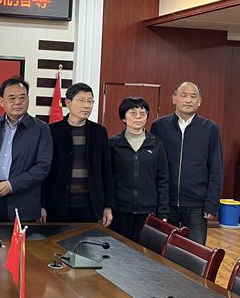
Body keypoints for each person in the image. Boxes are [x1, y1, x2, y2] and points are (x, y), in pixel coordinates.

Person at [150, 81, 223, 245]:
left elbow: (216, 168)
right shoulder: (159, 126)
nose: (188, 100)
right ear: (174, 98)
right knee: (162, 249)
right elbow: (153, 166)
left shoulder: (210, 128)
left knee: (195, 252)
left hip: (197, 205)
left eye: (193, 96)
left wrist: (212, 203)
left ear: (199, 101)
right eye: (183, 95)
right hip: (165, 202)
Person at [0, 76, 52, 223]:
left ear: (28, 100)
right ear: (1, 101)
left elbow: (42, 167)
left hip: (22, 200)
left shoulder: (41, 129)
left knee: (20, 238)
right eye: (12, 98)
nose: (17, 102)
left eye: (22, 97)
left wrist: (12, 185)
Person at [41, 83, 114, 224]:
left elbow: (106, 170)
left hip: (90, 205)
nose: (86, 106)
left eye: (90, 101)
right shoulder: (52, 131)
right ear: (68, 103)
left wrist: (108, 206)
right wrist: (42, 204)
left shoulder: (99, 132)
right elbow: (45, 171)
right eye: (81, 100)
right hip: (58, 204)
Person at [108, 97, 169, 242]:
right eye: (133, 113)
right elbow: (108, 179)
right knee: (121, 250)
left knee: (145, 252)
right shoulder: (113, 144)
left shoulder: (156, 144)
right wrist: (107, 206)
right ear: (123, 117)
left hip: (148, 211)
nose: (138, 117)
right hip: (120, 210)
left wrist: (163, 212)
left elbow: (163, 179)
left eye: (143, 113)